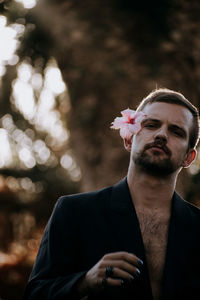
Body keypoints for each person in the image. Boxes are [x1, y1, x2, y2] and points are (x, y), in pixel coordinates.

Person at [23, 88, 200, 300]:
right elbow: (35, 294)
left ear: (189, 158)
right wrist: (84, 282)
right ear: (128, 138)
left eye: (176, 132)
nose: (162, 135)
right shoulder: (74, 212)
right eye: (151, 125)